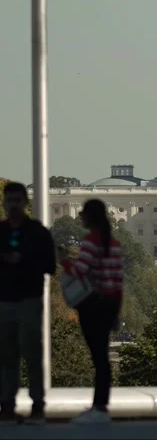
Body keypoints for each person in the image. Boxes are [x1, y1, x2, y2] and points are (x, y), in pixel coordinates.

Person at [59, 199, 123, 425]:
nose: (80, 217)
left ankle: (99, 406)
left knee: (98, 358)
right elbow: (118, 281)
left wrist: (65, 262)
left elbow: (79, 271)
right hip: (108, 305)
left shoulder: (90, 242)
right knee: (102, 357)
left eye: (83, 214)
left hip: (92, 305)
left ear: (90, 217)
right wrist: (116, 310)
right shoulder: (114, 244)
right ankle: (101, 404)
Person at [0, 181, 56, 425]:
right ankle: (7, 406)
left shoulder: (38, 232)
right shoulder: (0, 232)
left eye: (17, 200)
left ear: (25, 202)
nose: (13, 205)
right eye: (9, 200)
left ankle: (37, 405)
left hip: (29, 300)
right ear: (5, 202)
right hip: (4, 300)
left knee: (32, 353)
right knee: (6, 356)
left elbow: (50, 266)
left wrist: (23, 262)